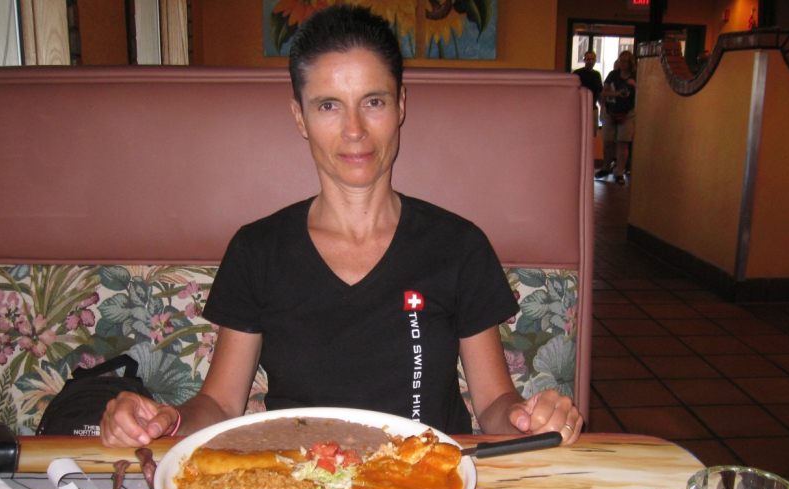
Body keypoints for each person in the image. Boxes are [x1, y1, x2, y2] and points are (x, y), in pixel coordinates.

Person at [99, 5, 582, 448]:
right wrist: (166, 419)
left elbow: (494, 404)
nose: (354, 130)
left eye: (373, 102)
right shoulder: (257, 249)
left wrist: (526, 415)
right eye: (328, 105)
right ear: (300, 117)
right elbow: (221, 403)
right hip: (297, 485)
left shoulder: (458, 245)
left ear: (400, 107)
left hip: (426, 482)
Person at [595, 51, 636, 186]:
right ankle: (606, 167)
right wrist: (617, 93)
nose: (623, 63)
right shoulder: (613, 75)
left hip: (628, 113)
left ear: (631, 62)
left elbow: (645, 93)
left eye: (626, 61)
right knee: (607, 142)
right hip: (610, 111)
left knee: (623, 143)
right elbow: (604, 92)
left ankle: (619, 172)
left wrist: (634, 85)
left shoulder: (636, 76)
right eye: (621, 60)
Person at [573, 50, 603, 131]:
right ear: (584, 60)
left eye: (592, 59)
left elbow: (600, 92)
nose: (590, 61)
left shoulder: (597, 75)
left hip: (593, 107)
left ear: (595, 60)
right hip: (579, 107)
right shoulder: (577, 73)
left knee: (592, 132)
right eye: (588, 59)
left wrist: (603, 107)